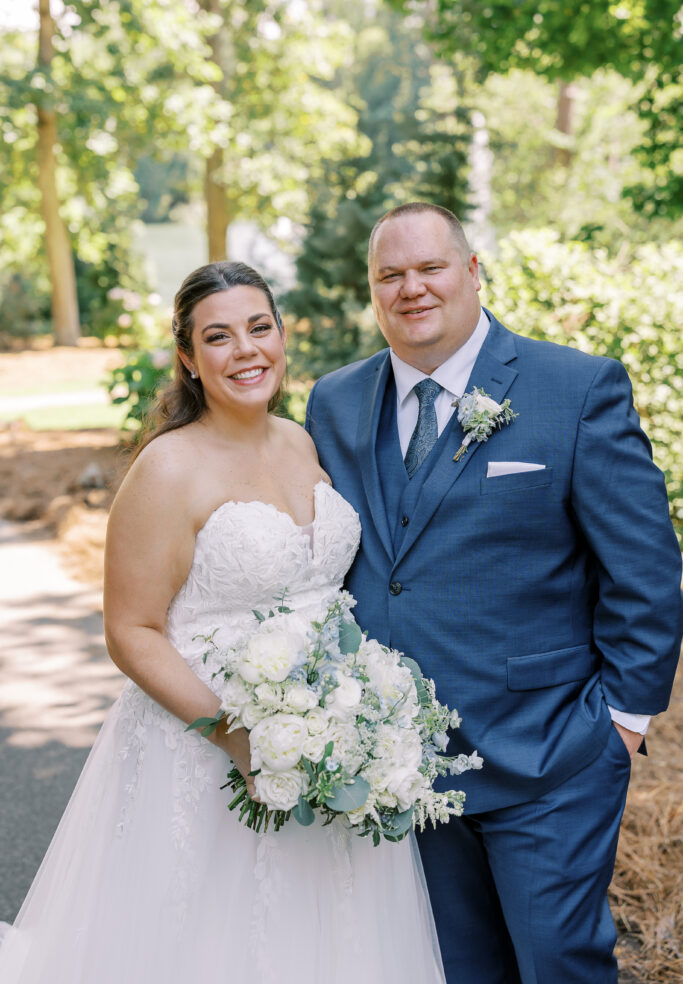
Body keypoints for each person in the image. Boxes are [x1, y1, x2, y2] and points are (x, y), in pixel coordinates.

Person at [0, 261, 445, 983]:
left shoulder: (303, 443)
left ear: (280, 335)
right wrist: (235, 735)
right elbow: (131, 630)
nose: (245, 351)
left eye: (258, 327)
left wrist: (356, 720)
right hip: (205, 752)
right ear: (188, 359)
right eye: (218, 337)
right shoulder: (168, 469)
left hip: (330, 746)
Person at [306, 202, 682, 984]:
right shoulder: (334, 403)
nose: (411, 288)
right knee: (450, 969)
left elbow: (644, 571)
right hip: (399, 766)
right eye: (389, 275)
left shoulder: (573, 389)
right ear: (372, 290)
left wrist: (620, 720)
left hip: (548, 753)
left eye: (429, 268)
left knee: (557, 967)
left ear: (472, 272)